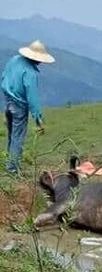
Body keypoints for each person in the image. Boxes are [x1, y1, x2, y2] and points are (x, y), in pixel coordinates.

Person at [1, 40, 55, 175]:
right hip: (19, 106)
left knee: (11, 135)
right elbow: (32, 97)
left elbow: (3, 78)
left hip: (8, 101)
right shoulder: (31, 72)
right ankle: (12, 169)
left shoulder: (14, 60)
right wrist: (38, 118)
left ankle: (9, 162)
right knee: (17, 137)